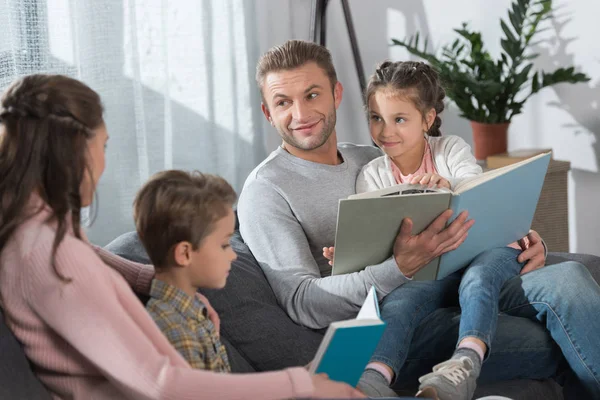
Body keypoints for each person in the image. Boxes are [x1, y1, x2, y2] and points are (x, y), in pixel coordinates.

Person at [237, 39, 600, 399]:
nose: (300, 114)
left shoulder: (373, 156)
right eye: (283, 102)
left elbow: (458, 200)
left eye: (312, 95)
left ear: (336, 94)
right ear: (268, 113)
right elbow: (303, 302)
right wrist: (400, 266)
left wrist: (518, 232)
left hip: (451, 277)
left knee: (571, 279)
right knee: (561, 336)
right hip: (381, 321)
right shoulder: (266, 189)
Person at [0, 74, 365, 399]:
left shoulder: (36, 231)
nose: (103, 162)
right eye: (104, 145)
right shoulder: (49, 254)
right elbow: (161, 384)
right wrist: (301, 385)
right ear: (74, 150)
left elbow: (87, 252)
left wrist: (159, 282)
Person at [322, 59, 536, 398]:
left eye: (400, 119)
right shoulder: (373, 175)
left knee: (477, 280)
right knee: (401, 301)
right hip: (430, 269)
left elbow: (475, 186)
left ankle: (464, 363)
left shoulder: (449, 149)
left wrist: (446, 184)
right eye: (376, 118)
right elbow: (380, 237)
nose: (385, 131)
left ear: (428, 119)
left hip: (483, 251)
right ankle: (375, 377)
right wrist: (352, 249)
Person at [134, 170, 237, 372]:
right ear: (184, 253)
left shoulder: (192, 309)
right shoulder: (175, 331)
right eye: (225, 245)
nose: (234, 255)